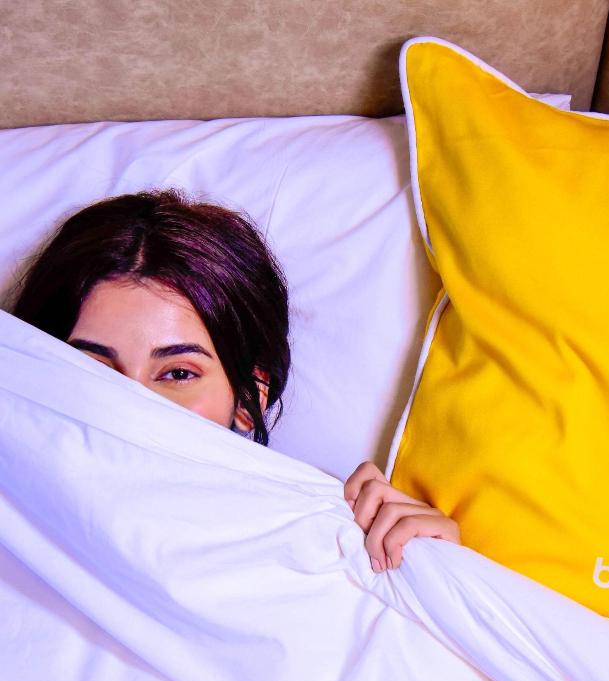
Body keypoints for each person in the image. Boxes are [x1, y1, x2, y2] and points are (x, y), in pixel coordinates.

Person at [11, 188, 460, 572]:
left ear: (248, 398)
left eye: (178, 374)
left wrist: (439, 573)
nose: (132, 407)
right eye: (93, 369)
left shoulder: (336, 547)